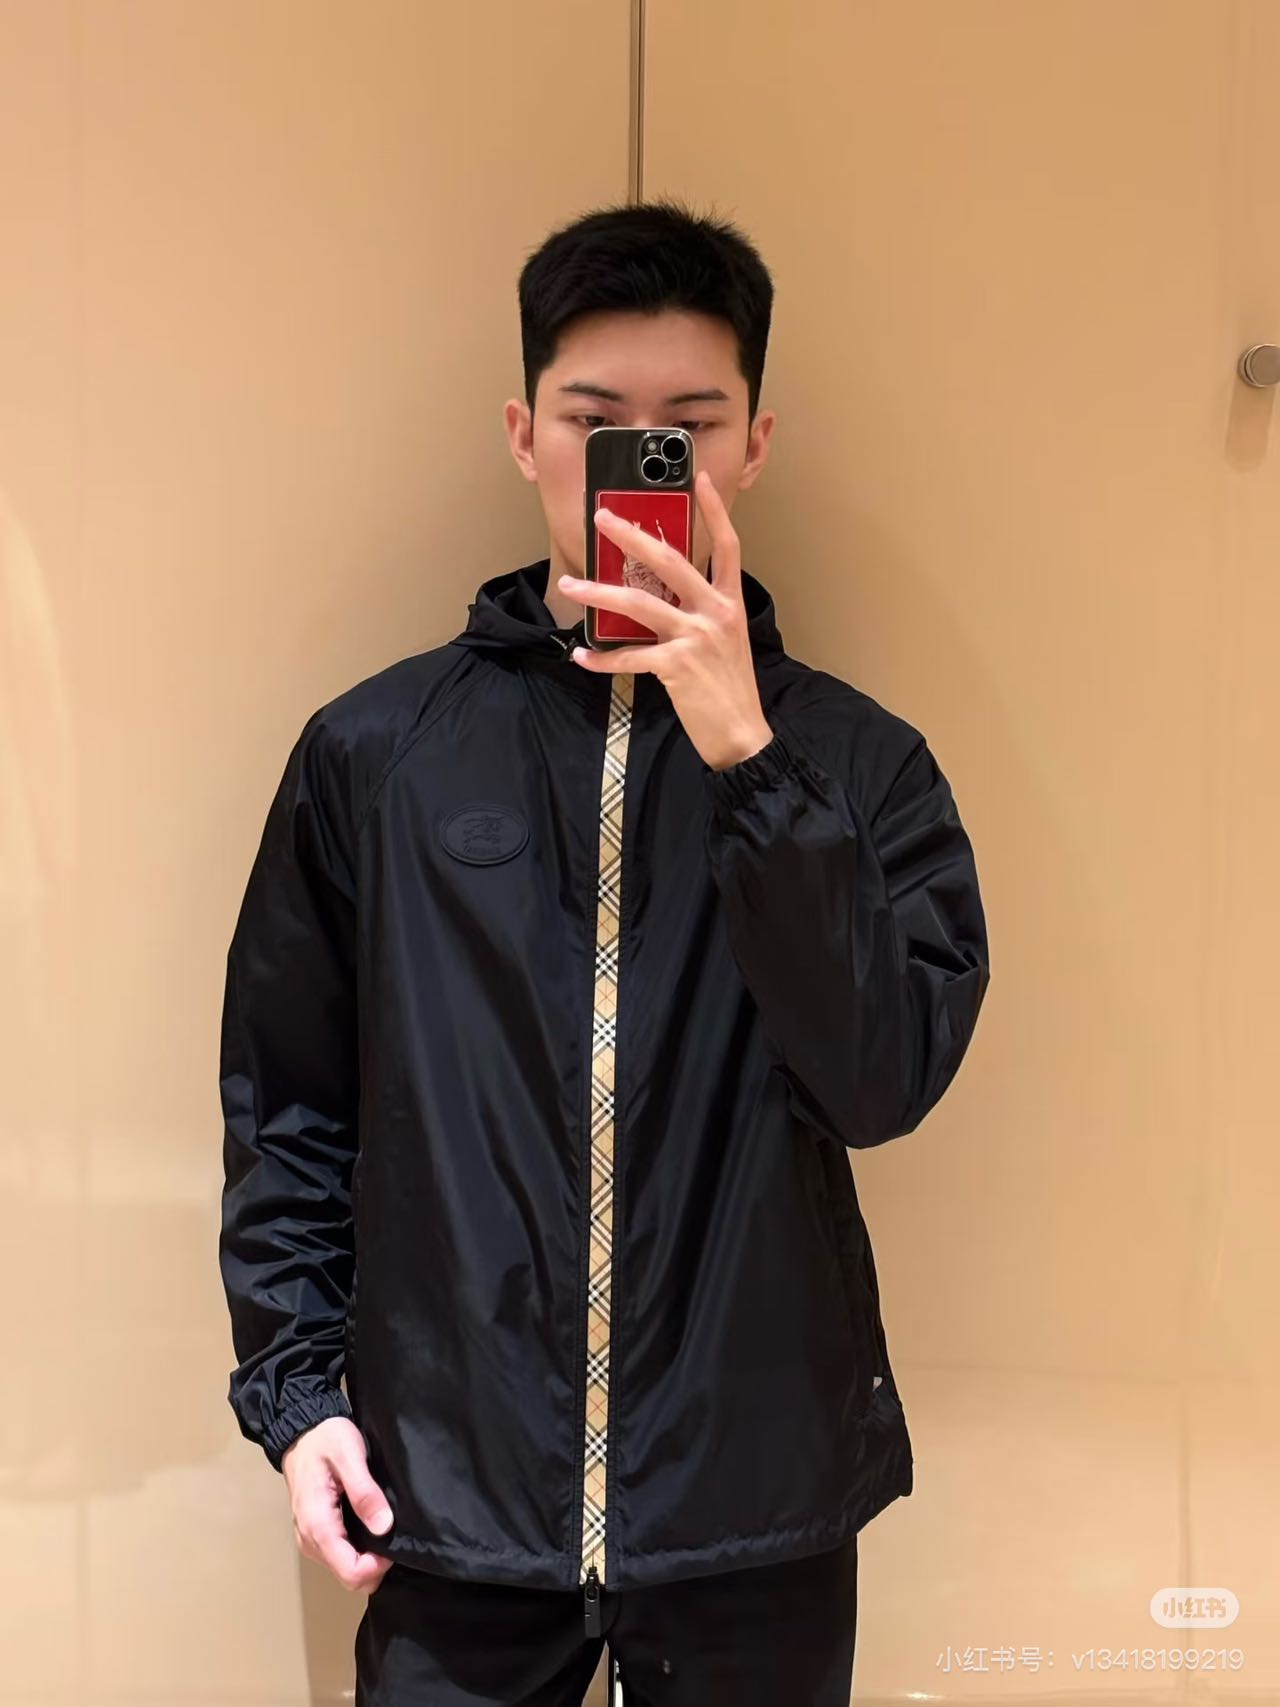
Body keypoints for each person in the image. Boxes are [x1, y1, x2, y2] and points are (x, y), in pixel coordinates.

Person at [218, 197, 991, 1706]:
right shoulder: (376, 755)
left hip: (751, 1508)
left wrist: (750, 762)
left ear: (755, 445)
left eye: (690, 426)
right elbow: (291, 1107)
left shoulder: (855, 765)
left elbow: (880, 1081)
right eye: (598, 421)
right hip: (447, 1498)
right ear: (525, 436)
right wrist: (300, 1399)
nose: (647, 461)